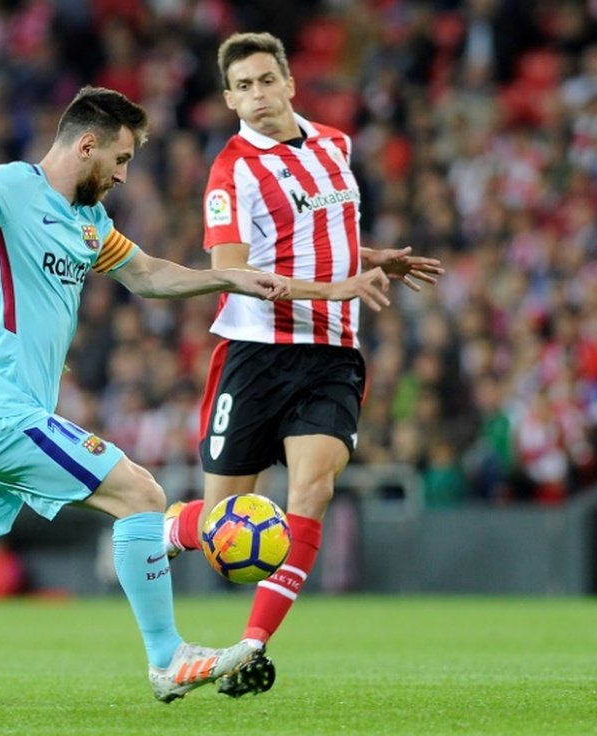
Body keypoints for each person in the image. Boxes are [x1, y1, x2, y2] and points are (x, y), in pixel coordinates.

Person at [0, 86, 394, 723]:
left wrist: (227, 277)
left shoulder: (89, 223)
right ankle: (167, 657)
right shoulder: (14, 187)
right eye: (119, 160)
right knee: (141, 496)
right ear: (86, 144)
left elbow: (148, 275)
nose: (122, 175)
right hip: (2, 411)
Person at [163, 32, 445, 697]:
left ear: (289, 82)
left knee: (313, 489)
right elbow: (230, 274)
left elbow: (322, 238)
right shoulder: (229, 172)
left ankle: (249, 648)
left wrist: (371, 258)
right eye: (243, 87)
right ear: (229, 98)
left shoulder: (337, 145)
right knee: (219, 529)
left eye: (267, 81)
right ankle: (159, 525)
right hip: (256, 356)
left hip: (331, 355)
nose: (257, 96)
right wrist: (336, 288)